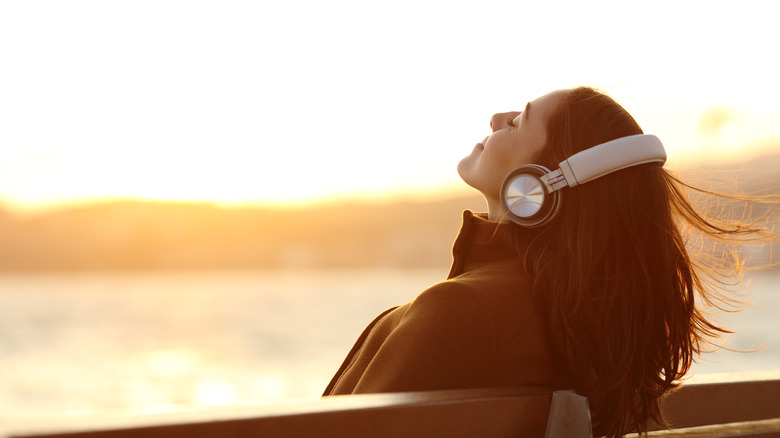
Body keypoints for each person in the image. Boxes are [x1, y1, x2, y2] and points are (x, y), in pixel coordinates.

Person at [322, 86, 768, 437]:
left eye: (516, 122)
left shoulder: (464, 312)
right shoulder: (581, 323)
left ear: (537, 186)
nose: (496, 118)